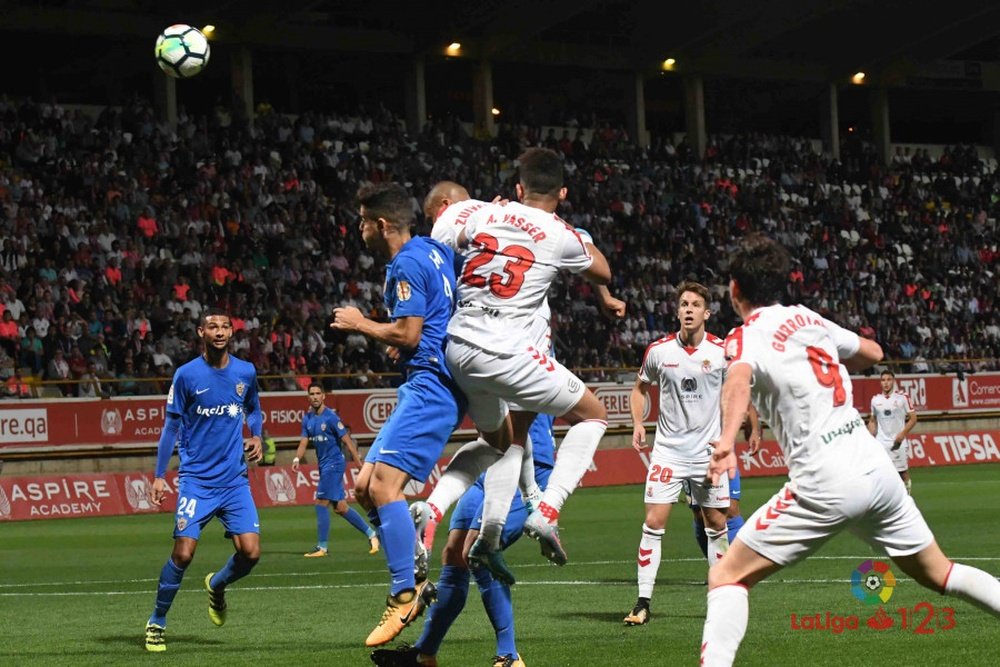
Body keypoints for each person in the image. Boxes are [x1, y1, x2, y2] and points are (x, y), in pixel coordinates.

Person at [700, 234, 1000, 666]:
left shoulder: (744, 336)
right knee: (942, 573)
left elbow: (737, 379)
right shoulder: (808, 319)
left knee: (727, 576)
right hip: (876, 471)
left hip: (826, 479)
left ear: (734, 289)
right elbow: (873, 353)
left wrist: (727, 441)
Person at [421, 152, 617, 585]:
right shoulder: (559, 232)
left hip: (459, 347)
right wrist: (576, 237)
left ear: (517, 188)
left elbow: (440, 246)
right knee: (594, 415)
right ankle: (546, 511)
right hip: (508, 352)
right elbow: (602, 268)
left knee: (500, 442)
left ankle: (435, 510)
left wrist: (493, 217)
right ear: (562, 193)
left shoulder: (476, 211)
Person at [330, 182, 465, 648]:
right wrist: (407, 342)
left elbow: (409, 333)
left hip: (431, 384)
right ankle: (414, 566)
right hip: (427, 377)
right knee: (365, 487)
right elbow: (439, 311)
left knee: (383, 486)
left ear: (382, 225)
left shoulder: (405, 262)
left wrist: (361, 324)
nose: (360, 228)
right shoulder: (432, 249)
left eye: (364, 220)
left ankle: (405, 591)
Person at [371, 415, 555, 667]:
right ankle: (424, 653)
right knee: (454, 554)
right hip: (488, 459)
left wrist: (556, 493)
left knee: (478, 552)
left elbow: (582, 410)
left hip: (527, 464)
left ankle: (510, 657)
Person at [143, 309, 264, 653]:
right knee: (183, 554)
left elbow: (254, 408)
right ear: (201, 332)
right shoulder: (185, 376)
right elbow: (171, 427)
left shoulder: (246, 371)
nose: (220, 331)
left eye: (225, 326)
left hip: (234, 481)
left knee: (251, 553)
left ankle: (218, 585)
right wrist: (158, 476)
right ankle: (157, 621)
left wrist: (255, 435)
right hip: (196, 481)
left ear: (231, 332)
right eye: (213, 326)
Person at [623, 281, 735, 626]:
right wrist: (638, 423)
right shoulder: (659, 352)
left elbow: (734, 394)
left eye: (695, 304)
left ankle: (723, 598)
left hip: (707, 454)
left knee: (716, 523)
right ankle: (642, 602)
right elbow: (639, 389)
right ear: (678, 311)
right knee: (654, 523)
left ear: (707, 313)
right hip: (668, 453)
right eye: (684, 303)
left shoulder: (722, 351)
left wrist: (728, 437)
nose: (688, 309)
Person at [292, 382, 379, 557]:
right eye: (312, 394)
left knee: (321, 503)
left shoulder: (331, 417)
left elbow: (346, 440)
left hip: (334, 463)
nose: (315, 396)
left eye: (318, 393)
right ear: (308, 397)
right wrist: (296, 458)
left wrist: (358, 460)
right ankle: (372, 535)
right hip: (324, 465)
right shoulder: (307, 419)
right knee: (341, 507)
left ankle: (322, 547)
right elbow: (303, 442)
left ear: (323, 396)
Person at [868, 370, 918, 493]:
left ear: (893, 381)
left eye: (889, 380)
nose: (886, 383)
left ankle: (907, 498)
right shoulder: (875, 400)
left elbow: (913, 418)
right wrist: (870, 437)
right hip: (881, 443)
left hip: (898, 443)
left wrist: (903, 433)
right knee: (881, 473)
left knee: (903, 473)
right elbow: (872, 420)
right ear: (880, 382)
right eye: (883, 380)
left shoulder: (902, 398)